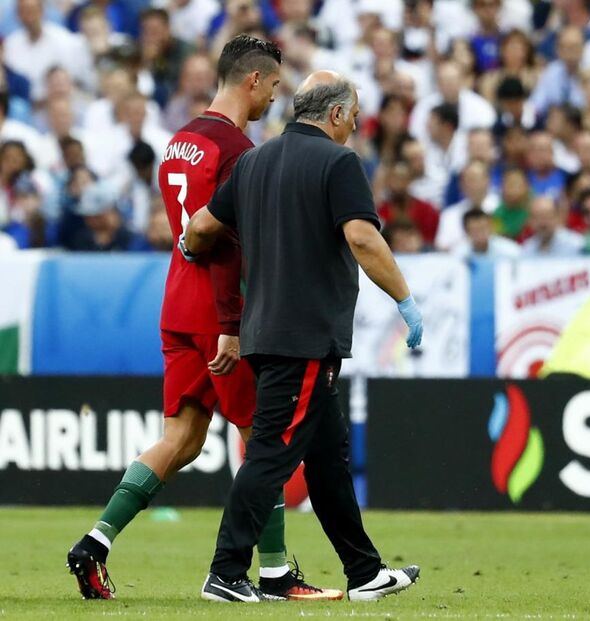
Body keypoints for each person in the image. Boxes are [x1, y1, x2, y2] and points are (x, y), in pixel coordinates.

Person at [66, 36, 335, 603]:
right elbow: (222, 243)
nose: (273, 98)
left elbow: (184, 230)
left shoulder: (178, 142)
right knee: (261, 436)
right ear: (252, 81)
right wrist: (233, 324)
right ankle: (275, 573)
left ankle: (94, 543)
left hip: (175, 304)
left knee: (183, 439)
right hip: (221, 311)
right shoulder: (238, 149)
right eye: (274, 86)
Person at [183, 70, 423, 603]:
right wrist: (405, 298)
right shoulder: (339, 163)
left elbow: (200, 228)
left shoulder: (253, 160)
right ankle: (225, 570)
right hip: (307, 336)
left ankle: (363, 573)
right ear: (335, 114)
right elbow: (362, 236)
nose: (356, 125)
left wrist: (188, 246)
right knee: (271, 452)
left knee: (328, 456)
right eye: (354, 115)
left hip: (264, 329)